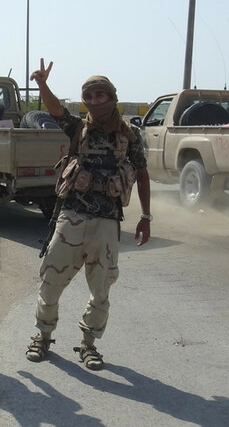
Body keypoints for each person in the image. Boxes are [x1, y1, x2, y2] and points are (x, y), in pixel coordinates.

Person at [25, 58, 152, 371]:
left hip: (107, 222)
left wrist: (146, 216)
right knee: (51, 279)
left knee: (101, 288)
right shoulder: (78, 128)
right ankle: (43, 337)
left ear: (112, 97)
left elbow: (142, 173)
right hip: (72, 216)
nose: (95, 101)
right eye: (89, 97)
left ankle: (88, 345)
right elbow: (56, 110)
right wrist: (42, 85)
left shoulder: (130, 135)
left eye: (100, 95)